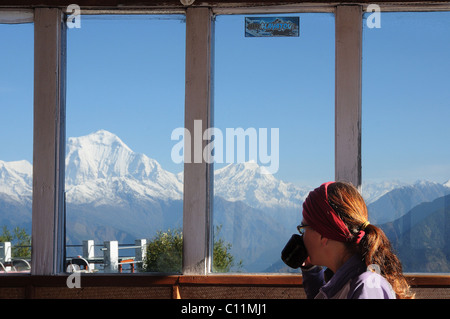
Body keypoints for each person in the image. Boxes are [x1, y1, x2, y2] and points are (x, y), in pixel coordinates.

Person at [299, 181, 414, 299]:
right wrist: (310, 270)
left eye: (303, 229)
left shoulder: (366, 288)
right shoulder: (352, 281)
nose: (302, 237)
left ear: (323, 234)